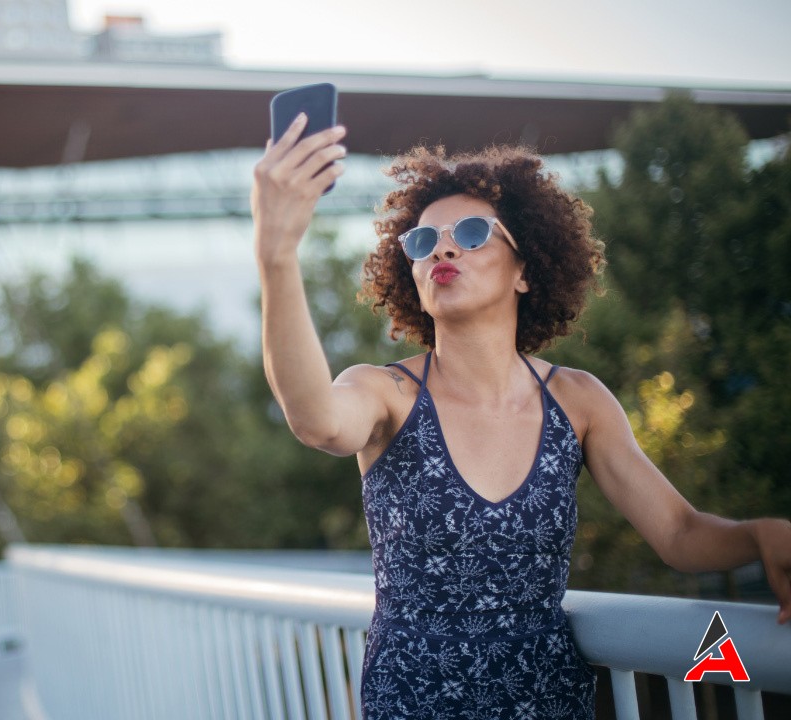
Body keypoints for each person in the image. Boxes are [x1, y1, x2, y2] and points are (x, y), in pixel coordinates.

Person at [250, 112, 791, 719]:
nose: (444, 249)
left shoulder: (580, 401)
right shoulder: (386, 393)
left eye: (474, 232)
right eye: (423, 242)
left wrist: (758, 535)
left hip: (549, 705)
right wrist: (277, 254)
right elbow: (317, 420)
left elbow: (680, 535)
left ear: (527, 269)